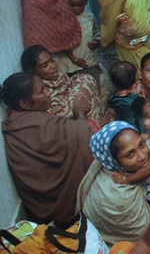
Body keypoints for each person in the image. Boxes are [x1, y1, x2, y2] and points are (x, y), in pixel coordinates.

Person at [1, 72, 93, 226]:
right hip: (64, 207)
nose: (48, 92)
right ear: (24, 103)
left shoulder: (14, 122)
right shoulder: (38, 126)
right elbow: (83, 133)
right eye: (42, 91)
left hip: (39, 211)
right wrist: (81, 113)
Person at [76, 121, 150, 245]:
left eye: (141, 145)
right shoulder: (117, 197)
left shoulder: (119, 168)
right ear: (114, 161)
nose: (142, 156)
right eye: (130, 154)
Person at [21, 45, 104, 125]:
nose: (52, 66)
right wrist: (78, 110)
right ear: (34, 72)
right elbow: (60, 120)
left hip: (88, 123)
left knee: (86, 79)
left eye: (52, 60)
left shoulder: (65, 80)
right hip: (78, 130)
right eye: (45, 65)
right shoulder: (45, 95)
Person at [56, 0, 102, 89]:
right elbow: (61, 42)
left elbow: (96, 34)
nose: (76, 8)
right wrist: (74, 59)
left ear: (86, 0)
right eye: (72, 5)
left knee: (94, 88)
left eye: (80, 5)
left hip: (88, 63)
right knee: (75, 91)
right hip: (70, 66)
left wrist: (97, 43)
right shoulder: (62, 18)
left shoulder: (89, 17)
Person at [108, 61, 145, 132]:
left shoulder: (112, 98)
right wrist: (138, 94)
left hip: (121, 129)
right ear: (134, 80)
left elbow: (112, 113)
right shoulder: (134, 99)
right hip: (136, 129)